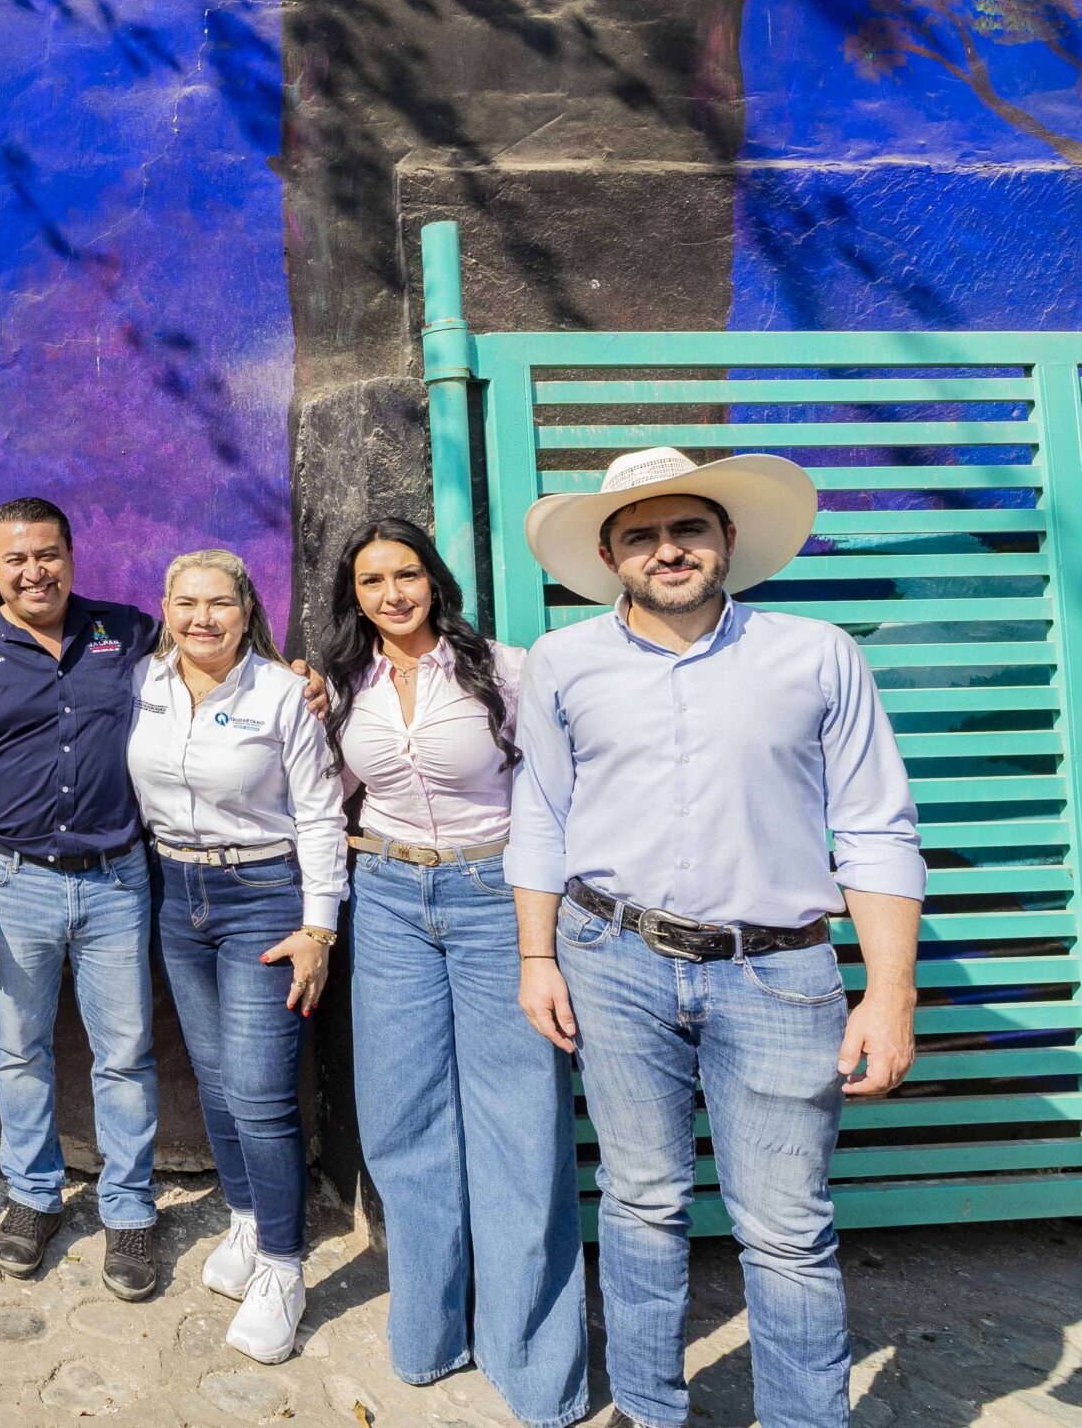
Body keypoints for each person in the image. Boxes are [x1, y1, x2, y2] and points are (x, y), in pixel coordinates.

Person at [509, 447, 923, 1428]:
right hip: (610, 964)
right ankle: (650, 1413)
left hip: (779, 974)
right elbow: (540, 815)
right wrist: (534, 957)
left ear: (726, 538)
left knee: (786, 1233)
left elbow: (875, 826)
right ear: (610, 555)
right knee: (640, 1207)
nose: (668, 549)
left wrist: (890, 992)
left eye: (687, 527)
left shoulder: (815, 653)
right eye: (640, 534)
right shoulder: (564, 662)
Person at [318, 519, 586, 1425]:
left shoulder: (505, 672)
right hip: (386, 890)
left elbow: (553, 796)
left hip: (492, 892)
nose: (391, 593)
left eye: (406, 574)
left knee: (519, 1124)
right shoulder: (343, 681)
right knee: (402, 1118)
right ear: (352, 594)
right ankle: (431, 1333)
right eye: (371, 580)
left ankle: (536, 1366)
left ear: (435, 580)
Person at [0, 497, 165, 1300]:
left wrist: (291, 677)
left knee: (124, 1051)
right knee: (20, 1047)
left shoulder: (123, 632)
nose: (35, 571)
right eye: (17, 558)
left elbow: (217, 658)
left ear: (70, 553)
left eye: (48, 553)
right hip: (10, 883)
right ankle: (32, 1195)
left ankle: (128, 1207)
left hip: (117, 880)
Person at [127, 548, 346, 1359]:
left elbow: (322, 815)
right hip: (177, 896)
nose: (202, 618)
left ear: (247, 609)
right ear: (166, 605)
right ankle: (251, 1223)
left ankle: (286, 1269)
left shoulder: (285, 694)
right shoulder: (144, 684)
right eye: (186, 602)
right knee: (216, 1081)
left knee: (259, 1091)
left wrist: (318, 927)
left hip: (263, 897)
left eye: (219, 602)